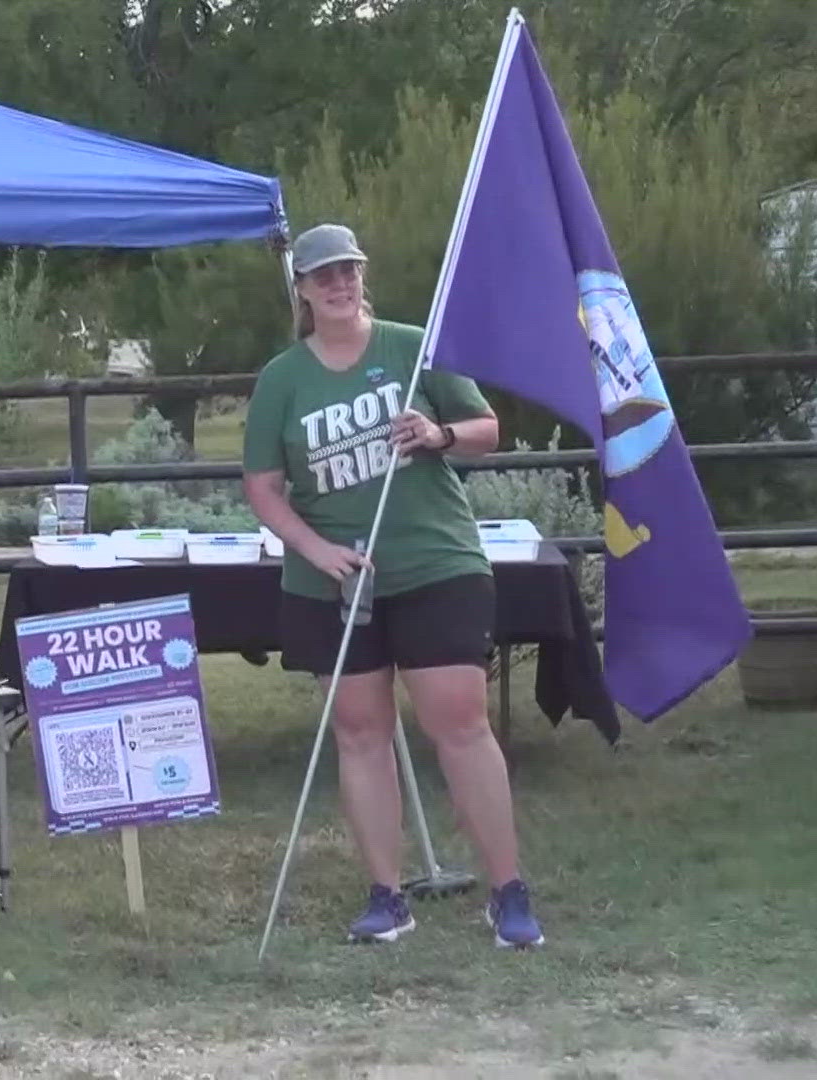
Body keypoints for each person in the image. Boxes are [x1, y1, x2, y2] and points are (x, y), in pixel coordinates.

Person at [241, 223, 545, 949]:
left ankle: (507, 891)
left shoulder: (414, 348)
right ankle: (387, 894)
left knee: (460, 722)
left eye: (349, 271)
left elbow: (485, 427)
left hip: (435, 564)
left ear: (362, 275)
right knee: (359, 732)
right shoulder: (282, 379)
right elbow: (263, 486)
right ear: (303, 290)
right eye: (324, 277)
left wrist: (437, 434)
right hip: (333, 584)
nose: (340, 285)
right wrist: (317, 551)